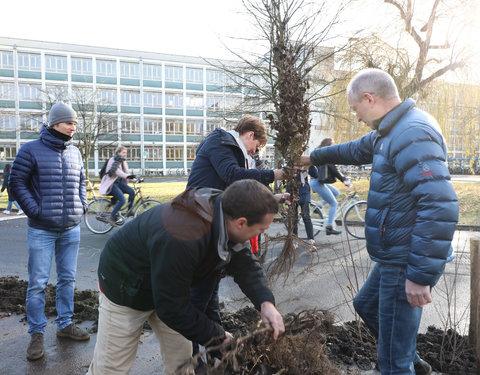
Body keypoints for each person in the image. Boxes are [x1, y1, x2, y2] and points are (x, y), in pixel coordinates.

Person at [301, 68, 458, 375]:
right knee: (367, 306)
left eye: (356, 109)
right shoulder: (391, 131)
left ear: (369, 98)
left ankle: (403, 363)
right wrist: (314, 157)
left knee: (390, 364)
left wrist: (419, 275)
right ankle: (411, 361)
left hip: (407, 261)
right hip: (395, 256)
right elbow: (353, 150)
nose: (357, 117)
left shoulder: (411, 133)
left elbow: (440, 203)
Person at [87, 179, 285, 375]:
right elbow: (171, 307)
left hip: (170, 287)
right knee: (111, 368)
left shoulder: (226, 213)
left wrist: (266, 303)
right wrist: (217, 336)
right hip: (126, 285)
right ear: (241, 223)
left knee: (182, 364)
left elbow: (245, 263)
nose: (261, 234)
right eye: (261, 230)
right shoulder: (184, 235)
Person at [186, 115, 284, 371]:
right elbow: (232, 176)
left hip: (215, 223)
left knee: (210, 295)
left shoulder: (232, 149)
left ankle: (217, 351)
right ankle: (194, 359)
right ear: (250, 135)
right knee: (198, 298)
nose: (255, 151)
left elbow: (241, 188)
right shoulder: (220, 143)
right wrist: (273, 174)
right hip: (200, 223)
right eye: (257, 146)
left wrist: (273, 198)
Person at [9, 102, 90, 361]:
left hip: (70, 228)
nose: (73, 128)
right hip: (42, 229)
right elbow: (16, 182)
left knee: (68, 279)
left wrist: (82, 206)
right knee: (38, 284)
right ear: (55, 123)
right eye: (69, 123)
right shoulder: (30, 150)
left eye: (76, 124)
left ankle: (65, 325)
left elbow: (81, 181)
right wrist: (36, 210)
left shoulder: (75, 152)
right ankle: (36, 333)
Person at [309, 138, 351, 235]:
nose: (335, 146)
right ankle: (329, 226)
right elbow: (333, 169)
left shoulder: (322, 153)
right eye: (333, 144)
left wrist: (343, 178)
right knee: (334, 203)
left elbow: (333, 168)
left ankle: (319, 206)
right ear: (328, 145)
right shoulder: (324, 155)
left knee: (336, 193)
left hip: (319, 182)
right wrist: (343, 180)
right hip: (317, 183)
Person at [98, 146, 136, 226]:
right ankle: (111, 217)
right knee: (122, 199)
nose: (125, 154)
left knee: (132, 192)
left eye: (126, 152)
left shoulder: (123, 161)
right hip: (111, 184)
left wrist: (135, 179)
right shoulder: (112, 160)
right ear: (118, 152)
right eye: (123, 152)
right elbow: (117, 172)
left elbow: (127, 174)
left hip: (118, 183)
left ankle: (129, 211)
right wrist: (127, 176)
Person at [287, 165, 318, 244]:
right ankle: (294, 240)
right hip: (292, 192)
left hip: (304, 192)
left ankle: (311, 240)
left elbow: (315, 174)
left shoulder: (305, 164)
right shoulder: (288, 163)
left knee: (306, 216)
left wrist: (310, 164)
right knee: (293, 218)